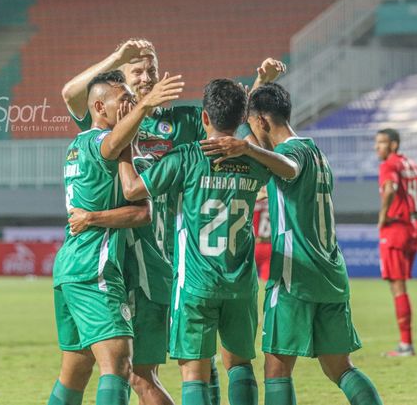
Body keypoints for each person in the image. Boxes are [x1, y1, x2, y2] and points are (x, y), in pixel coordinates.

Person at [61, 38, 285, 405]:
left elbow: (227, 131)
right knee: (135, 367)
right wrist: (117, 56)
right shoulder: (109, 124)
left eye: (152, 68)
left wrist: (258, 88)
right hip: (118, 258)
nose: (147, 75)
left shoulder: (182, 122)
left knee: (163, 364)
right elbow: (71, 93)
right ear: (121, 82)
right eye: (138, 70)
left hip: (167, 257)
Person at [201, 83, 383, 405]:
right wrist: (256, 90)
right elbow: (271, 153)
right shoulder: (316, 151)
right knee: (340, 368)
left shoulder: (292, 154)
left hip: (294, 276)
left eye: (253, 125)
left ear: (262, 122)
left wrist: (247, 149)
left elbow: (287, 166)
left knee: (276, 370)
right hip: (331, 274)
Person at [118, 79, 297, 405]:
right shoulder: (255, 160)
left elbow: (131, 190)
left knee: (194, 372)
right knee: (241, 365)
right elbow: (285, 167)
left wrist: (122, 142)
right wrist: (250, 143)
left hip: (195, 285)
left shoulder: (186, 157)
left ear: (203, 118)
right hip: (240, 283)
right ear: (241, 118)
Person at [48, 70, 178, 405]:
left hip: (71, 267)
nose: (131, 104)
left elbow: (139, 212)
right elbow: (113, 147)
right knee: (119, 364)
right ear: (99, 108)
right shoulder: (96, 143)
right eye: (125, 101)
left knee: (75, 372)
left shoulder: (77, 146)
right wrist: (147, 104)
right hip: (95, 267)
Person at [374, 128, 417, 357]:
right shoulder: (410, 164)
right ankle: (406, 343)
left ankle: (406, 344)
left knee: (397, 286)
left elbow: (390, 189)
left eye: (381, 143)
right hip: (413, 227)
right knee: (399, 285)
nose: (377, 148)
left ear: (393, 145)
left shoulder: (389, 165)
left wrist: (383, 216)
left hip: (396, 228)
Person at [253, 187, 272, 280]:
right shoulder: (274, 203)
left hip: (254, 244)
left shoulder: (255, 201)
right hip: (270, 245)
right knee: (266, 282)